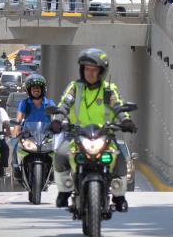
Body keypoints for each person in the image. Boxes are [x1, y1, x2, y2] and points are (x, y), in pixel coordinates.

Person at [51, 49, 136, 212]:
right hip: (76, 134)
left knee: (120, 159)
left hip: (104, 135)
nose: (89, 73)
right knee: (61, 155)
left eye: (94, 70)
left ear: (101, 72)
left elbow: (118, 106)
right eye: (86, 69)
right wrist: (56, 121)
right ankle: (64, 192)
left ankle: (119, 196)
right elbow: (63, 105)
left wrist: (126, 121)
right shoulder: (75, 88)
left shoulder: (108, 89)